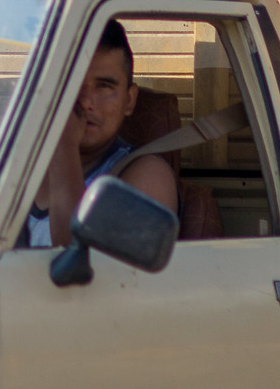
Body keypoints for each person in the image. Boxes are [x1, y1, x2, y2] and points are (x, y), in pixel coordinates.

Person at [21, 21, 177, 249]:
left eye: (104, 86)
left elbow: (80, 261)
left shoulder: (147, 175)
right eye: (71, 84)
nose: (85, 102)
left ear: (129, 100)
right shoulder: (19, 166)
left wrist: (63, 144)